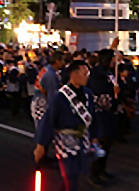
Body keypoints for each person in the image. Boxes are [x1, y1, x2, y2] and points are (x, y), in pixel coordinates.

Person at [34, 61, 99, 191]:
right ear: (73, 74)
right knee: (70, 174)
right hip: (65, 140)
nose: (87, 76)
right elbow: (49, 120)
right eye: (84, 73)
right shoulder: (60, 97)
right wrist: (41, 145)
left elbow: (93, 117)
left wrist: (95, 136)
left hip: (83, 139)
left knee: (76, 173)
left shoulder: (88, 94)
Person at [89, 49, 119, 186]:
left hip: (108, 111)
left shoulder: (110, 74)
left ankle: (102, 168)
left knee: (108, 142)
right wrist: (112, 47)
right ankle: (94, 172)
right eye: (112, 59)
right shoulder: (96, 73)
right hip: (98, 113)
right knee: (100, 143)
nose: (114, 62)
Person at [31, 52, 64, 128]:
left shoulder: (46, 69)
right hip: (42, 104)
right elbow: (52, 96)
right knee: (44, 132)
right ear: (57, 61)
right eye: (62, 60)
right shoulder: (50, 75)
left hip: (37, 101)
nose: (63, 63)